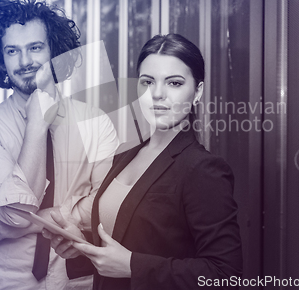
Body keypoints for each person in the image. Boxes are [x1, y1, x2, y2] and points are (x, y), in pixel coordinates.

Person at [46, 34, 243, 290]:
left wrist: (131, 266)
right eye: (147, 82)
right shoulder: (125, 154)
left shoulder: (203, 169)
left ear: (198, 92)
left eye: (174, 82)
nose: (157, 94)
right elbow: (130, 236)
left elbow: (226, 275)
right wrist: (81, 244)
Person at [0, 0, 118, 290]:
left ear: (55, 51)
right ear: (1, 59)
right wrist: (37, 121)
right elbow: (16, 216)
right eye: (12, 51)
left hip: (76, 280)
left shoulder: (95, 121)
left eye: (35, 48)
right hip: (7, 280)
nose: (24, 61)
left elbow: (108, 203)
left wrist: (44, 217)